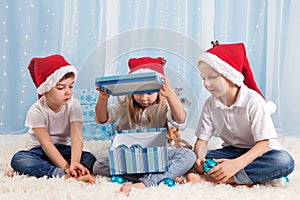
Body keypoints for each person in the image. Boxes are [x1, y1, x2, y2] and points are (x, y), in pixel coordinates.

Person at [186, 41, 295, 186]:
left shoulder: (253, 101)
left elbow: (263, 145)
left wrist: (234, 165)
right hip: (231, 151)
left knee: (283, 161)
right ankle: (251, 177)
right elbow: (202, 140)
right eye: (203, 78)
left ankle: (218, 179)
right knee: (187, 158)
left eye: (211, 77)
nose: (206, 84)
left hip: (260, 153)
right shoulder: (210, 104)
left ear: (229, 75)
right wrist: (200, 159)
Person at [93, 57, 196, 195]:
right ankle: (161, 176)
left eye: (149, 93)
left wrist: (170, 94)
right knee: (99, 165)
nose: (144, 98)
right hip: (132, 159)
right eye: (139, 93)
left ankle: (146, 182)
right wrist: (103, 98)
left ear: (159, 90)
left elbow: (180, 119)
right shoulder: (124, 106)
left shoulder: (163, 105)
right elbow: (102, 119)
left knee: (188, 155)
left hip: (158, 158)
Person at [7, 54, 96, 184]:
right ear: (46, 89)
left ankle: (38, 171)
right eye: (61, 88)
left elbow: (77, 136)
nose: (68, 92)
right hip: (40, 151)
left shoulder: (74, 105)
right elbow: (46, 144)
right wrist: (66, 168)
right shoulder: (36, 110)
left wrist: (75, 163)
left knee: (90, 159)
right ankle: (62, 175)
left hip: (65, 149)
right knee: (19, 159)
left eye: (70, 86)